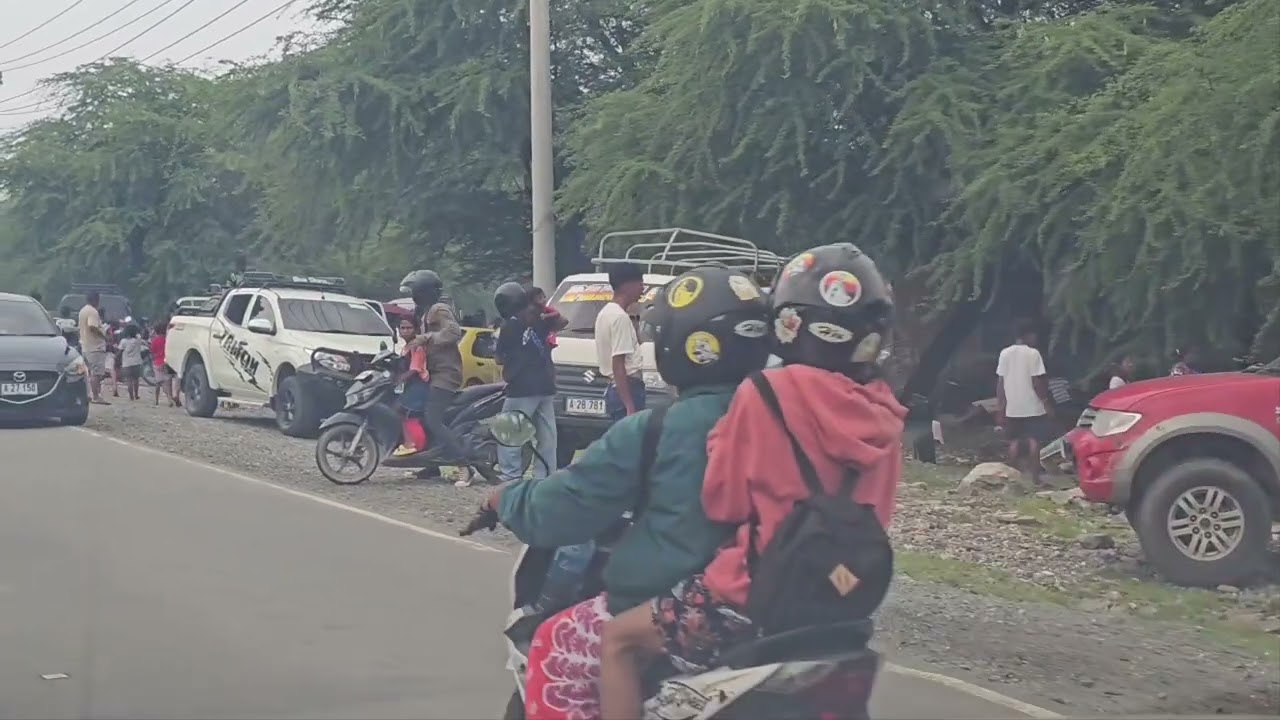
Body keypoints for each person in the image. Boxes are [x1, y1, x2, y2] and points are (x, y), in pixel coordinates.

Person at [597, 243, 906, 719]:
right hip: (840, 604)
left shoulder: (767, 392)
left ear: (787, 321)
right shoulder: (886, 412)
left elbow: (722, 502)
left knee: (617, 641)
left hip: (749, 596)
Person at [478, 266, 772, 720]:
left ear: (675, 346)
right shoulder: (791, 421)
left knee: (555, 644)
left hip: (689, 605)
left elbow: (567, 506)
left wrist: (506, 498)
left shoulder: (658, 428)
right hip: (782, 607)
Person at [398, 270, 494, 481]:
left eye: (415, 291)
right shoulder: (422, 312)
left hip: (446, 374)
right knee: (420, 415)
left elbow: (453, 332)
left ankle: (464, 466)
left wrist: (426, 338)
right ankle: (431, 467)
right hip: (430, 373)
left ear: (424, 291)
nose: (413, 295)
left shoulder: (439, 309)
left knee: (433, 419)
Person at [493, 282, 565, 480]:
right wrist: (545, 308)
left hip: (521, 386)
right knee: (547, 436)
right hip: (545, 384)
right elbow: (562, 321)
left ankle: (511, 475)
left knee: (510, 432)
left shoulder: (509, 326)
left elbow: (499, 358)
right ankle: (545, 475)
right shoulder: (539, 320)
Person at [996, 319, 1053, 486]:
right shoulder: (1033, 354)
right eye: (1034, 334)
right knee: (1034, 441)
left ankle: (1012, 479)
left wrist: (1001, 405)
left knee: (1014, 441)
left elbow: (1000, 382)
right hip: (1033, 406)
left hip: (1013, 406)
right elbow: (1036, 382)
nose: (1036, 338)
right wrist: (1045, 402)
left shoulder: (1004, 353)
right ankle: (1035, 479)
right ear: (1028, 335)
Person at [596, 263, 646, 420]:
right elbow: (618, 363)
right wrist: (629, 405)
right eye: (640, 284)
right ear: (628, 286)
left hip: (615, 389)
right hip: (627, 388)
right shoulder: (619, 318)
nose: (642, 290)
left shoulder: (606, 313)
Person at [392, 317, 431, 456]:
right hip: (410, 385)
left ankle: (411, 443)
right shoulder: (405, 347)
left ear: (416, 329)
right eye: (402, 328)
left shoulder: (417, 346)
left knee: (402, 410)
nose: (405, 331)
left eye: (409, 328)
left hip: (419, 385)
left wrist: (400, 379)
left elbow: (415, 368)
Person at [78, 291, 111, 405]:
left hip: (85, 346)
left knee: (89, 373)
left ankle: (89, 394)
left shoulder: (83, 311)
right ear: (96, 299)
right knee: (96, 373)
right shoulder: (93, 312)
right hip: (95, 347)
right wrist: (104, 336)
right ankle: (96, 396)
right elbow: (92, 326)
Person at [150, 320, 178, 407]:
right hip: (166, 362)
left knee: (158, 383)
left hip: (157, 363)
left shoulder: (155, 340)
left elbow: (152, 351)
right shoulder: (167, 339)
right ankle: (170, 399)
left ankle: (156, 400)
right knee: (166, 382)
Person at [118, 324, 145, 401]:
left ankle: (131, 396)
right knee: (136, 380)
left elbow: (119, 352)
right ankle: (136, 394)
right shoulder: (138, 340)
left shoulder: (123, 341)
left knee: (129, 380)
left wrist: (116, 359)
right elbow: (139, 335)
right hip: (137, 362)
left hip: (126, 364)